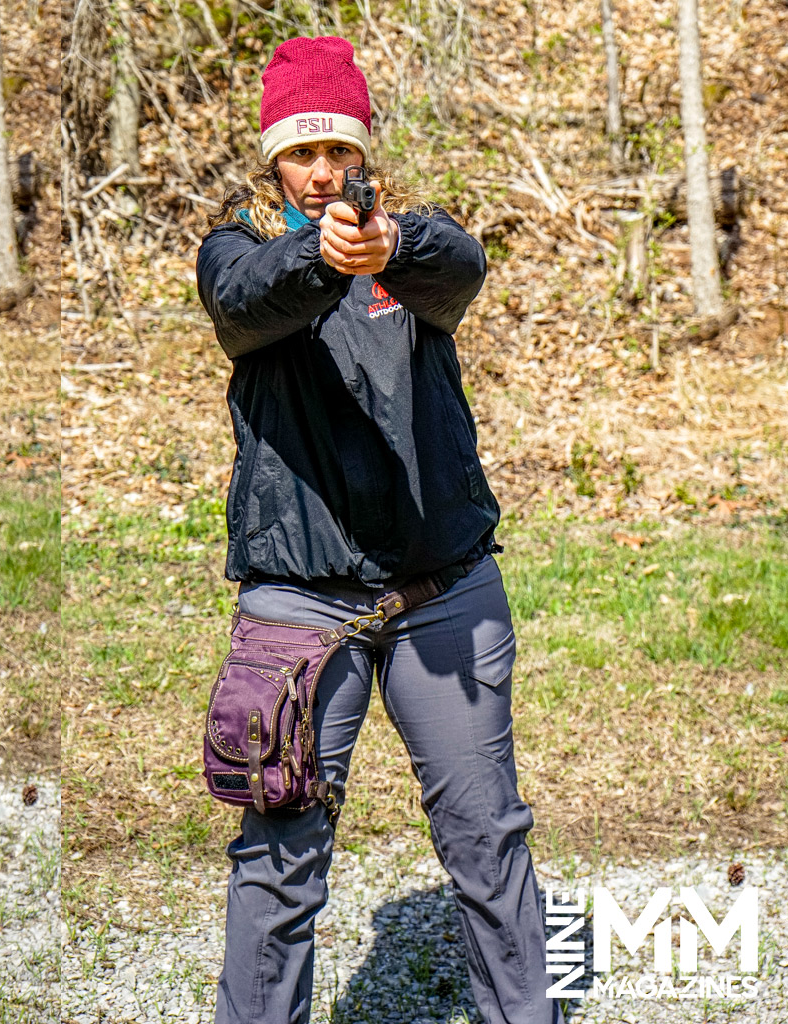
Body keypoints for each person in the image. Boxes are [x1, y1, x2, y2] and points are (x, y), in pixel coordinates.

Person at [195, 37, 556, 1024]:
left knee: (489, 839)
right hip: (298, 601)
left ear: (364, 156)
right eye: (299, 152)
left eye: (335, 150)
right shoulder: (238, 252)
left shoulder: (415, 247)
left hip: (447, 591)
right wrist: (318, 253)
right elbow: (244, 300)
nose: (319, 171)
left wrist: (388, 245)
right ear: (272, 160)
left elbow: (463, 265)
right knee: (278, 857)